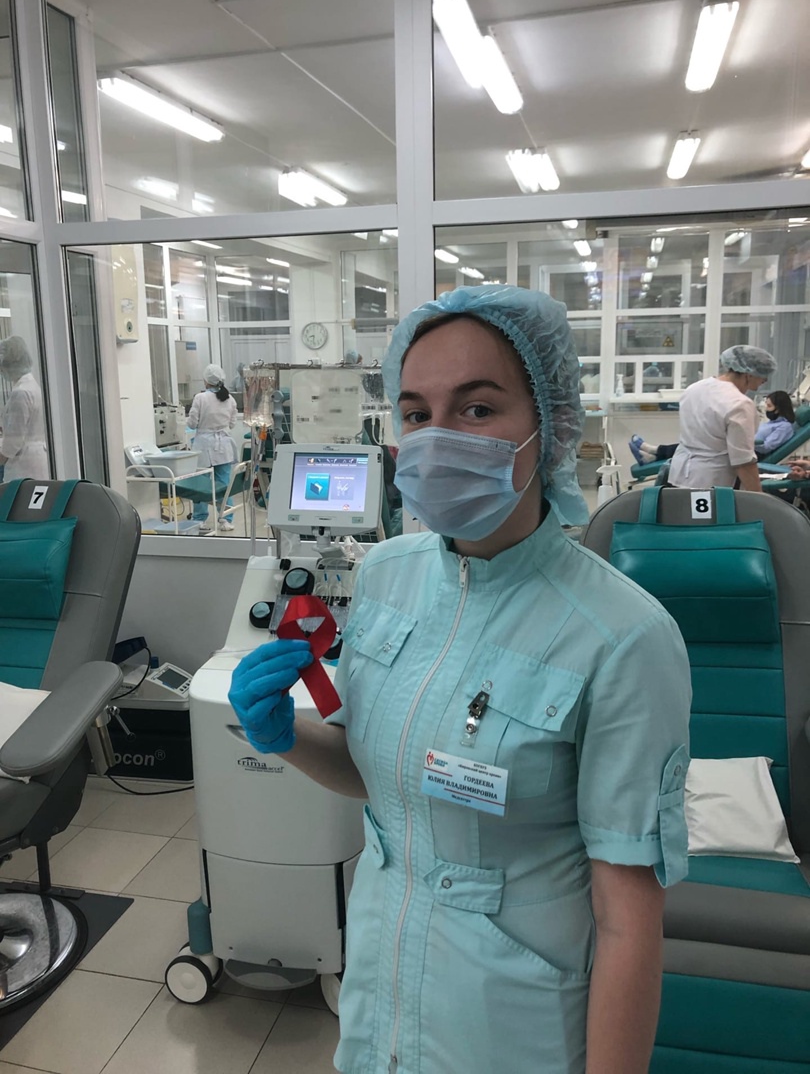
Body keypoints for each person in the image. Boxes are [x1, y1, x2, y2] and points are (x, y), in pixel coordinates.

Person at [227, 286, 692, 1074]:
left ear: (550, 424)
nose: (438, 438)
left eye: (477, 409)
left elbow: (627, 922)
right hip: (380, 998)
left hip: (510, 1026)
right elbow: (382, 778)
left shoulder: (623, 637)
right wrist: (283, 736)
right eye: (416, 413)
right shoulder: (387, 575)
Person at [663, 345, 777, 491]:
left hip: (680, 473)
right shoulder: (739, 404)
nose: (765, 380)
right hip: (713, 481)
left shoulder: (694, 388)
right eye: (763, 376)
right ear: (749, 374)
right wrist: (759, 498)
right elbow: (743, 461)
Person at [630, 388, 795, 466]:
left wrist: (741, 440)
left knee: (702, 446)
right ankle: (653, 455)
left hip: (751, 453)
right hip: (744, 447)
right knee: (698, 444)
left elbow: (767, 446)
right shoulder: (772, 423)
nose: (766, 409)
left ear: (779, 408)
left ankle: (654, 452)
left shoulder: (785, 427)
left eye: (769, 406)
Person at [187, 364, 239, 531]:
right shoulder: (230, 399)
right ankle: (226, 519)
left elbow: (192, 423)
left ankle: (199, 519)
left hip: (203, 445)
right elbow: (232, 423)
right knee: (224, 484)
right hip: (223, 446)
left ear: (206, 381)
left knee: (200, 485)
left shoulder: (200, 398)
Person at [0, 335, 48, 481]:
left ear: (8, 364)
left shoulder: (20, 393)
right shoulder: (33, 386)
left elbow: (13, 441)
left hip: (23, 465)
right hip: (37, 459)